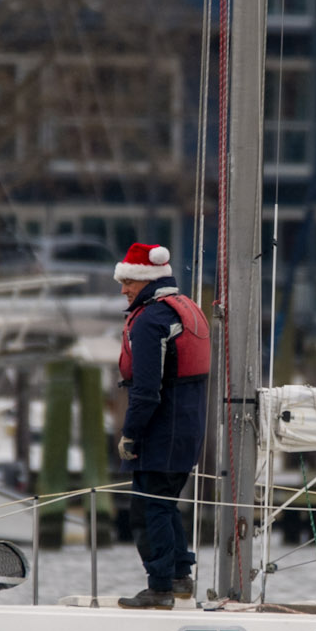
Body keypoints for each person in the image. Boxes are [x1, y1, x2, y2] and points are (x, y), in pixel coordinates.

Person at [111, 243, 209, 609]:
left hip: (160, 432)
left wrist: (131, 433)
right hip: (188, 431)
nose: (124, 290)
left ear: (146, 280)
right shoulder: (186, 309)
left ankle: (160, 587)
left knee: (148, 509)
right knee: (166, 506)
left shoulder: (151, 320)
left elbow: (147, 390)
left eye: (129, 282)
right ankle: (180, 578)